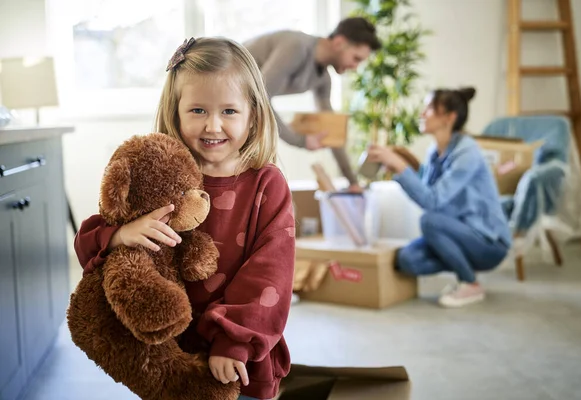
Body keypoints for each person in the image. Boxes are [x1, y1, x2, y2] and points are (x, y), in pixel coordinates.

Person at [73, 37, 295, 400]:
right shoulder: (158, 174)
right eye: (197, 111)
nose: (213, 126)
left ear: (253, 112)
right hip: (171, 348)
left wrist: (233, 341)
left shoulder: (266, 184)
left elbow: (271, 274)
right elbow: (87, 242)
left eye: (229, 111)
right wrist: (120, 235)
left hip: (239, 353)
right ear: (175, 112)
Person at [367, 88, 511, 308]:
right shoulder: (435, 151)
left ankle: (470, 284)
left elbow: (431, 202)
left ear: (449, 117)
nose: (423, 113)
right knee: (407, 259)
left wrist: (399, 165)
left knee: (429, 220)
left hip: (488, 242)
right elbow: (424, 193)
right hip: (456, 233)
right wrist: (396, 166)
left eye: (430, 109)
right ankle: (462, 266)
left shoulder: (467, 153)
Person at [243, 17, 382, 192]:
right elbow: (260, 98)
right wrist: (300, 140)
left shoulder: (323, 79)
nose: (355, 67)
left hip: (241, 104)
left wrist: (353, 182)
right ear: (339, 42)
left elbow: (332, 130)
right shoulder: (296, 47)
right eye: (356, 58)